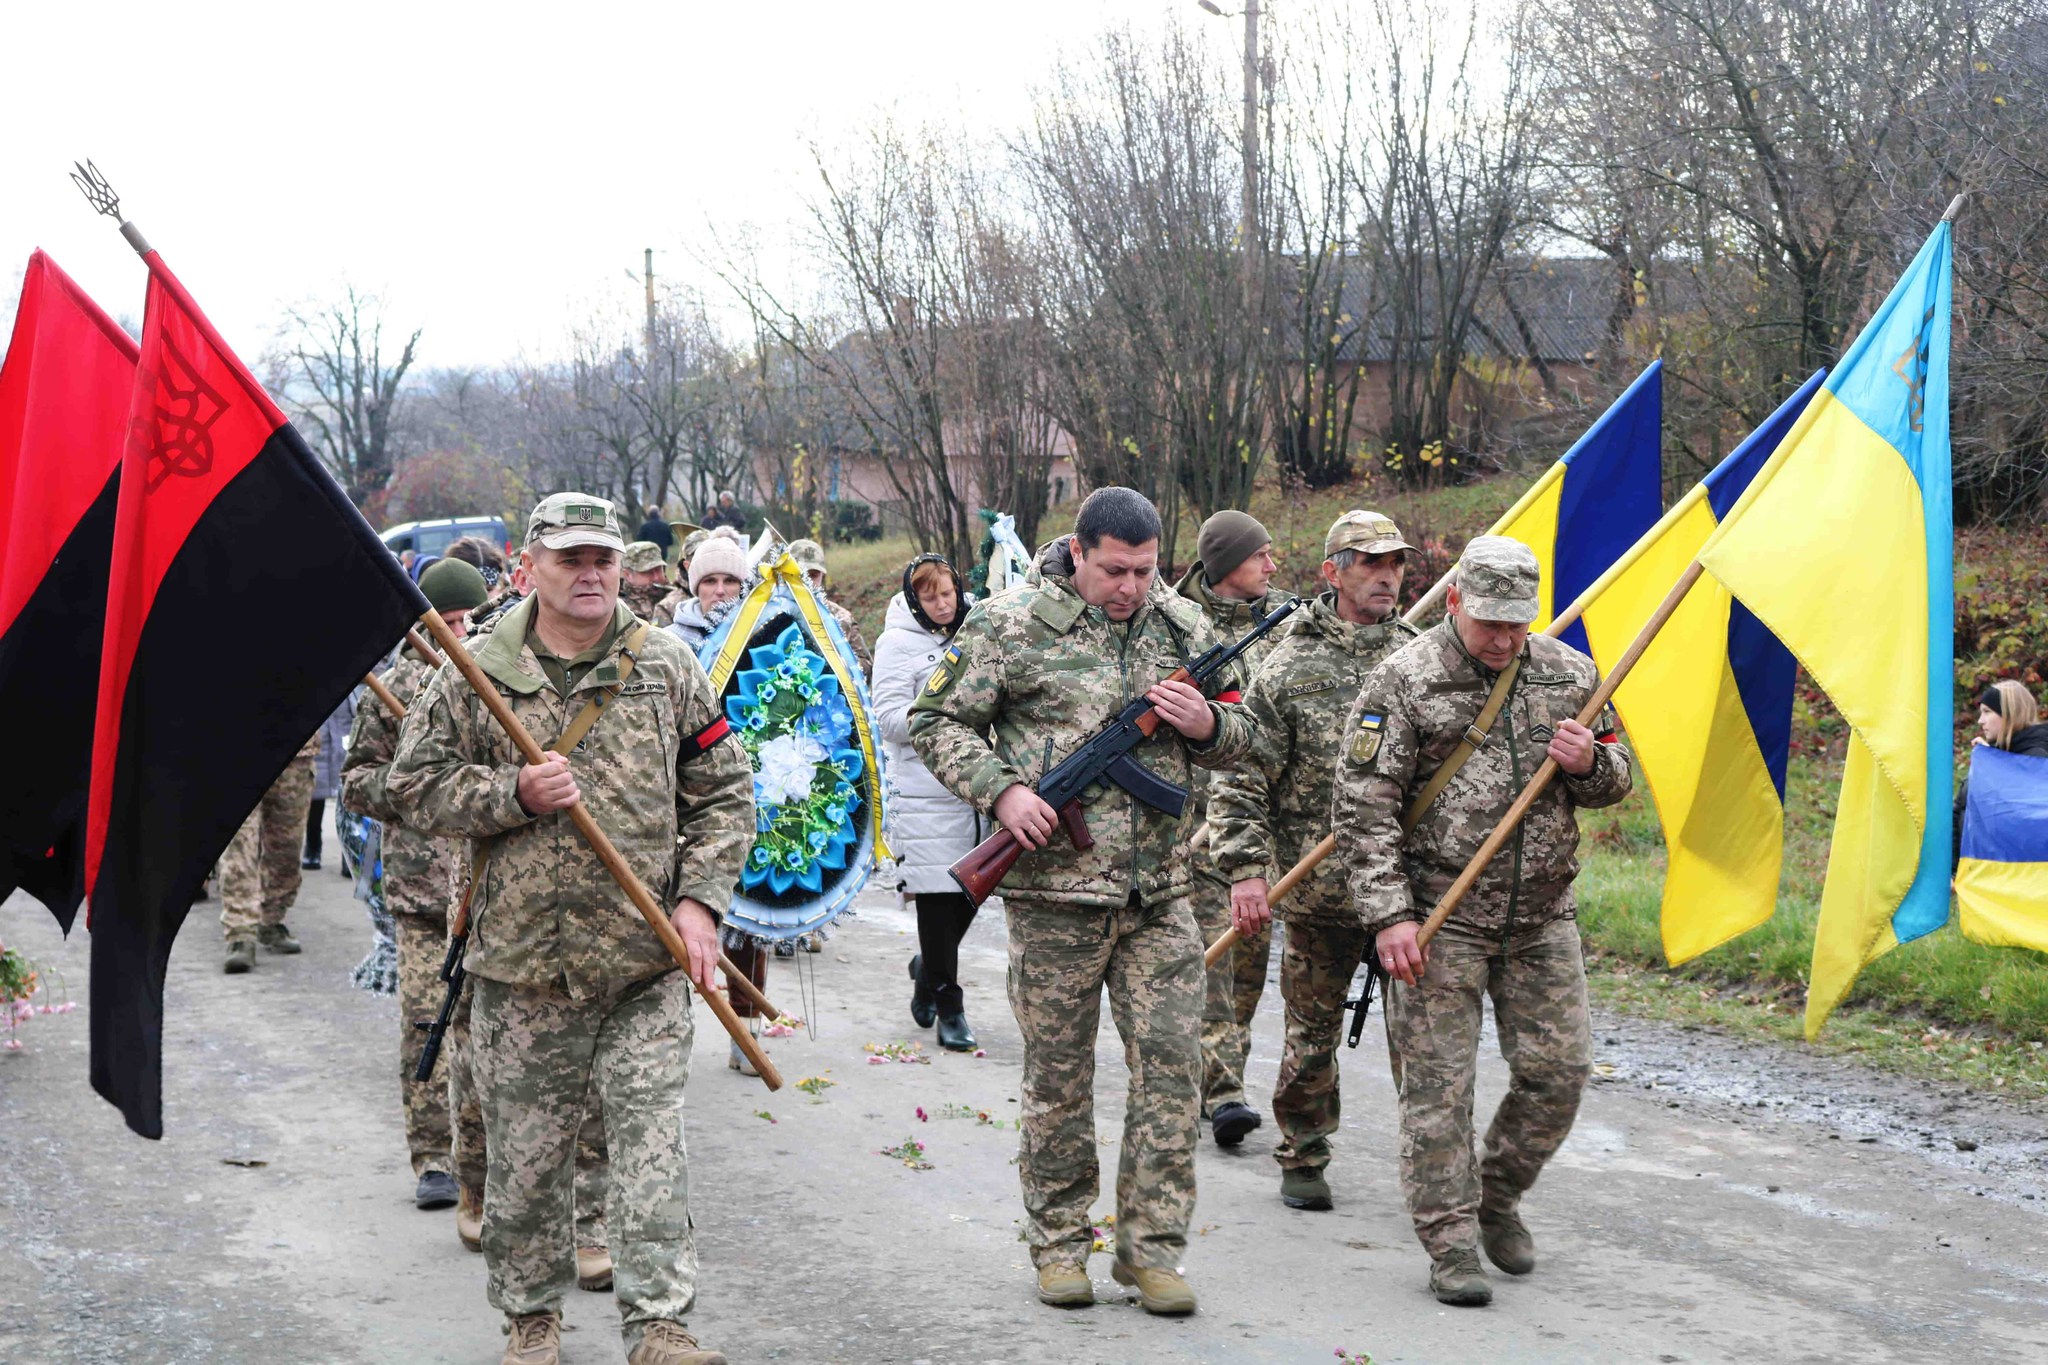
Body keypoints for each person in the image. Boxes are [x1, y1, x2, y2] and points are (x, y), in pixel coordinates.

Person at [390, 492, 754, 1365]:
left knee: (650, 1148)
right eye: (571, 559)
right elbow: (410, 786)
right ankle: (530, 1319)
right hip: (520, 967)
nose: (591, 574)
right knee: (526, 1164)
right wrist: (509, 793)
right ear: (529, 568)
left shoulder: (664, 664)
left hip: (642, 963)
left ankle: (659, 1324)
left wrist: (701, 901)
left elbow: (724, 792)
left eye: (604, 559)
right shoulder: (476, 670)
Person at [910, 486, 1252, 1316]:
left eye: (1145, 570)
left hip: (1161, 895)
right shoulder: (1008, 624)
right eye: (1114, 570)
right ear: (1078, 551)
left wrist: (1206, 726)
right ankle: (1061, 1245)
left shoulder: (1186, 628)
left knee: (1172, 1073)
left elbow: (1250, 735)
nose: (1130, 587)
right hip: (1055, 896)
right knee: (1060, 1079)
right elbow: (935, 719)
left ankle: (1151, 1252)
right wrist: (1003, 792)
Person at [1329, 536, 1633, 1307]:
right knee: (1439, 1093)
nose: (1502, 638)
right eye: (1489, 621)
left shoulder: (1570, 673)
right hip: (1439, 922)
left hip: (1540, 917)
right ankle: (1451, 1240)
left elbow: (1615, 778)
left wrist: (1589, 764)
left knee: (1560, 1074)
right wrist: (1389, 915)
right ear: (1456, 599)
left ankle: (1496, 1193)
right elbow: (1362, 808)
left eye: (1516, 623)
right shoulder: (1405, 678)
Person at [1208, 510, 1420, 1211]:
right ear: (1333, 572)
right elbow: (1241, 775)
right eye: (1371, 562)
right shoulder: (1289, 665)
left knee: (1424, 1043)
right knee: (1310, 1035)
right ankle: (1303, 1151)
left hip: (1408, 893)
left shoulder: (1421, 661)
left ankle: (1436, 1170)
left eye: (1396, 562)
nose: (1387, 575)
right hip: (1318, 889)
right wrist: (1246, 869)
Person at [340, 557, 489, 1214]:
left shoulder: (501, 680)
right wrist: (408, 787)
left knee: (487, 1030)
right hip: (423, 892)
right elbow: (356, 781)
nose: (459, 632)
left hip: (489, 890)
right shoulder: (394, 687)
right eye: (446, 621)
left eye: (468, 620)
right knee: (427, 1019)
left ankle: (486, 1153)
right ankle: (433, 1156)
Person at [1172, 509, 1294, 1148]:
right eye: (1259, 555)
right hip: (1195, 830)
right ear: (1225, 566)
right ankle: (1225, 1093)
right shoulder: (1177, 626)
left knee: (1247, 966)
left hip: (1263, 828)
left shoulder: (1287, 624)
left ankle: (1214, 1075)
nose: (1272, 566)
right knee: (1211, 962)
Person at [870, 552, 981, 1050]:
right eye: (930, 597)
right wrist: (941, 714)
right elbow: (888, 719)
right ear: (914, 601)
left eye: (948, 593)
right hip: (924, 791)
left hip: (976, 786)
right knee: (937, 900)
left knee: (971, 894)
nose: (942, 604)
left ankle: (929, 967)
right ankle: (950, 1008)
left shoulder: (976, 628)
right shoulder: (896, 643)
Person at [221, 729, 320, 973]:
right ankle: (240, 933)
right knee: (240, 847)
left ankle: (271, 919)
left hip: (295, 753)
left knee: (287, 848)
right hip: (237, 748)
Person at [1954, 680, 2048, 867]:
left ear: (2010, 715)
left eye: (1987, 712)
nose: (1980, 721)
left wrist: (1992, 766)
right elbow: (1959, 810)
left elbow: (2016, 818)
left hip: (2013, 875)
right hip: (1975, 873)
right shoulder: (1994, 755)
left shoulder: (2037, 759)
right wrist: (1951, 869)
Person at [786, 538, 873, 673]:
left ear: (822, 576)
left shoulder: (842, 617)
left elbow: (866, 665)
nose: (807, 581)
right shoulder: (772, 612)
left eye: (813, 575)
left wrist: (838, 667)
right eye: (800, 574)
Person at [667, 532, 749, 651]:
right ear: (696, 588)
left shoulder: (757, 631)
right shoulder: (670, 640)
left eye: (730, 581)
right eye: (710, 581)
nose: (720, 591)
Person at [305, 688, 356, 871]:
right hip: (318, 746)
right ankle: (312, 847)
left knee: (349, 802)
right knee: (314, 798)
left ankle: (348, 856)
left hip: (344, 742)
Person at [621, 541, 672, 619]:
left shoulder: (676, 596)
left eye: (658, 569)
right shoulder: (618, 608)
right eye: (648, 572)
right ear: (628, 575)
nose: (656, 578)